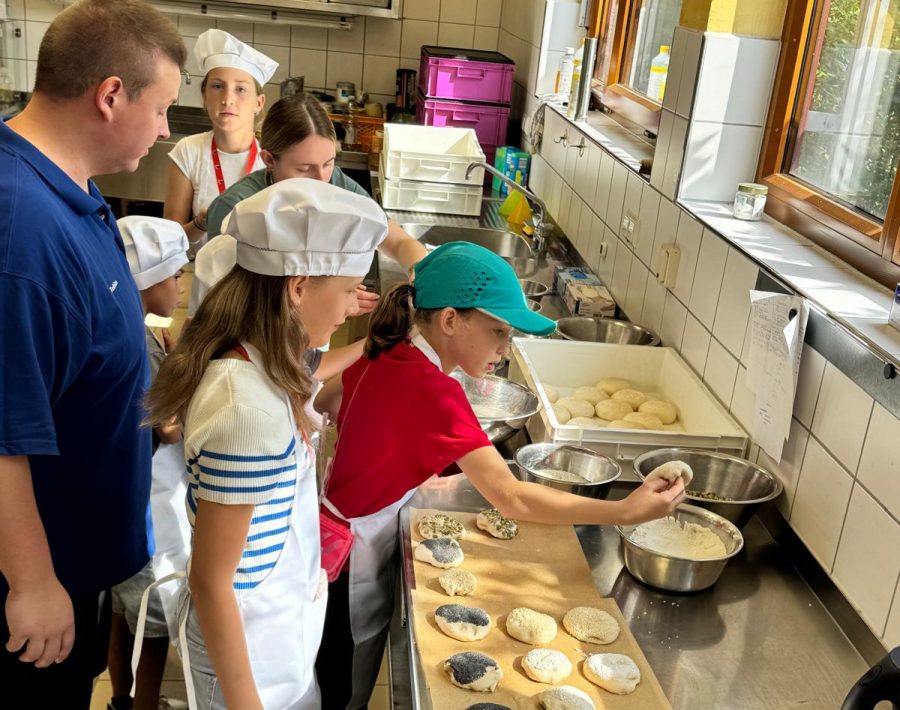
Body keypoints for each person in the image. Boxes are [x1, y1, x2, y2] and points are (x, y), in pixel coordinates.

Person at [313, 242, 687, 709]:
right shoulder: (437, 394)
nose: (503, 349)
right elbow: (514, 499)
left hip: (328, 542)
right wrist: (624, 510)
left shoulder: (384, 351)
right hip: (351, 567)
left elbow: (328, 404)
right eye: (497, 332)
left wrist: (392, 453)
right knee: (343, 695)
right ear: (450, 320)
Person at [0, 1, 185, 706]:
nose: (167, 128)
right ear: (110, 95)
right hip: (37, 580)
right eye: (164, 107)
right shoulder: (19, 228)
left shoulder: (70, 184)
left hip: (77, 557)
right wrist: (32, 582)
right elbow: (2, 431)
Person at [144, 178, 389, 709]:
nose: (352, 307)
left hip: (277, 638)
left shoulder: (263, 362)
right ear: (298, 285)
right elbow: (213, 583)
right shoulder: (246, 409)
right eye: (349, 290)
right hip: (246, 658)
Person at [203, 92, 428, 315]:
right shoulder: (233, 208)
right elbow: (230, 306)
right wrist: (330, 297)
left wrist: (424, 275)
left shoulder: (336, 183)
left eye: (328, 163)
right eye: (304, 169)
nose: (321, 180)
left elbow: (398, 242)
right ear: (269, 160)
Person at [107, 216, 189, 710]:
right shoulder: (141, 347)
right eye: (176, 275)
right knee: (153, 620)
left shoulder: (128, 327)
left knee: (125, 614)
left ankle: (122, 700)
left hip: (126, 497)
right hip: (146, 506)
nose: (181, 286)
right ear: (149, 277)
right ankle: (144, 705)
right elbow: (168, 428)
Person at [164, 29, 277, 247]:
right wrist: (201, 223)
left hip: (258, 279)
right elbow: (170, 241)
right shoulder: (188, 151)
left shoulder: (272, 158)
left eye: (240, 89)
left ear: (259, 103)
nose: (227, 99)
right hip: (205, 277)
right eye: (217, 86)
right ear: (204, 96)